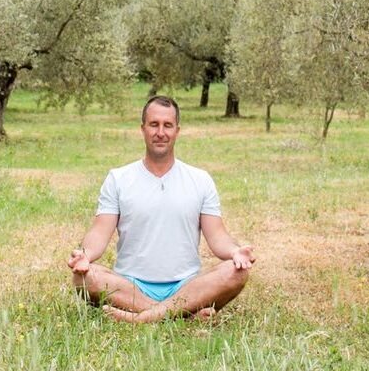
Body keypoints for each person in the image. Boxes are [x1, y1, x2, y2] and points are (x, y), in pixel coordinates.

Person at [67, 95, 255, 323]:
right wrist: (84, 256)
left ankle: (140, 319)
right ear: (143, 129)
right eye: (154, 124)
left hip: (186, 286)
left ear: (177, 130)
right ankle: (180, 315)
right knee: (83, 279)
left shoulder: (200, 179)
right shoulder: (118, 178)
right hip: (131, 286)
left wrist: (235, 252)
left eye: (168, 125)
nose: (160, 132)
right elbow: (99, 232)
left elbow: (217, 236)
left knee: (237, 273)